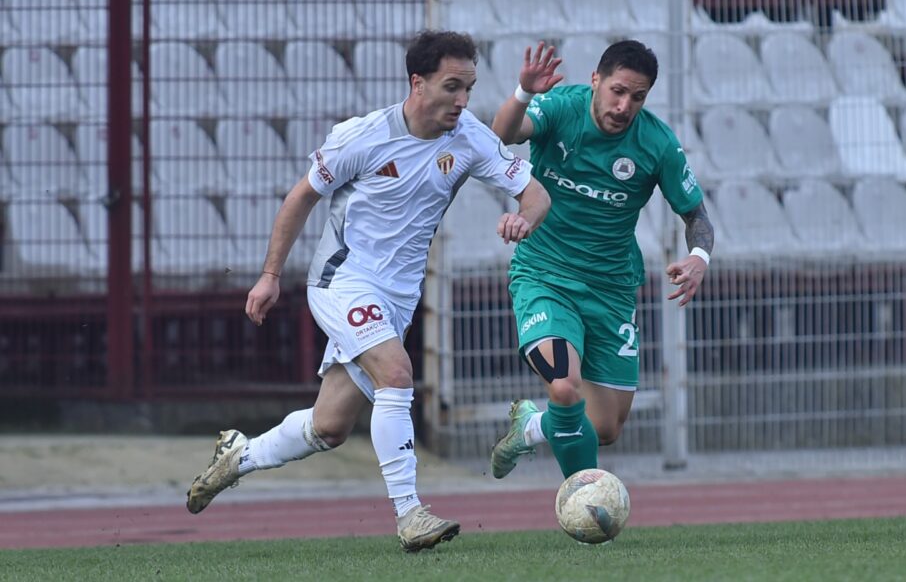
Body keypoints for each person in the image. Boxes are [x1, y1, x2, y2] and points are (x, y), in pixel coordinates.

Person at [185, 30, 550, 552]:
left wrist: (524, 219)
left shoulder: (470, 137)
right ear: (418, 83)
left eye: (469, 88)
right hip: (343, 281)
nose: (463, 100)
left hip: (397, 299)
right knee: (396, 374)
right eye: (452, 86)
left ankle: (238, 457)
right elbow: (301, 198)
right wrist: (270, 275)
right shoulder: (362, 136)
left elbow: (535, 195)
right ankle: (410, 514)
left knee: (329, 427)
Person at [489, 41, 714, 480]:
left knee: (605, 426)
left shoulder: (657, 143)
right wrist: (523, 92)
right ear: (596, 80)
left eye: (638, 97)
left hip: (611, 289)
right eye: (618, 91)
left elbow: (696, 216)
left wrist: (698, 256)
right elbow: (502, 135)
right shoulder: (561, 108)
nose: (624, 106)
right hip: (545, 276)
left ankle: (530, 427)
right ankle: (584, 498)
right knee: (564, 386)